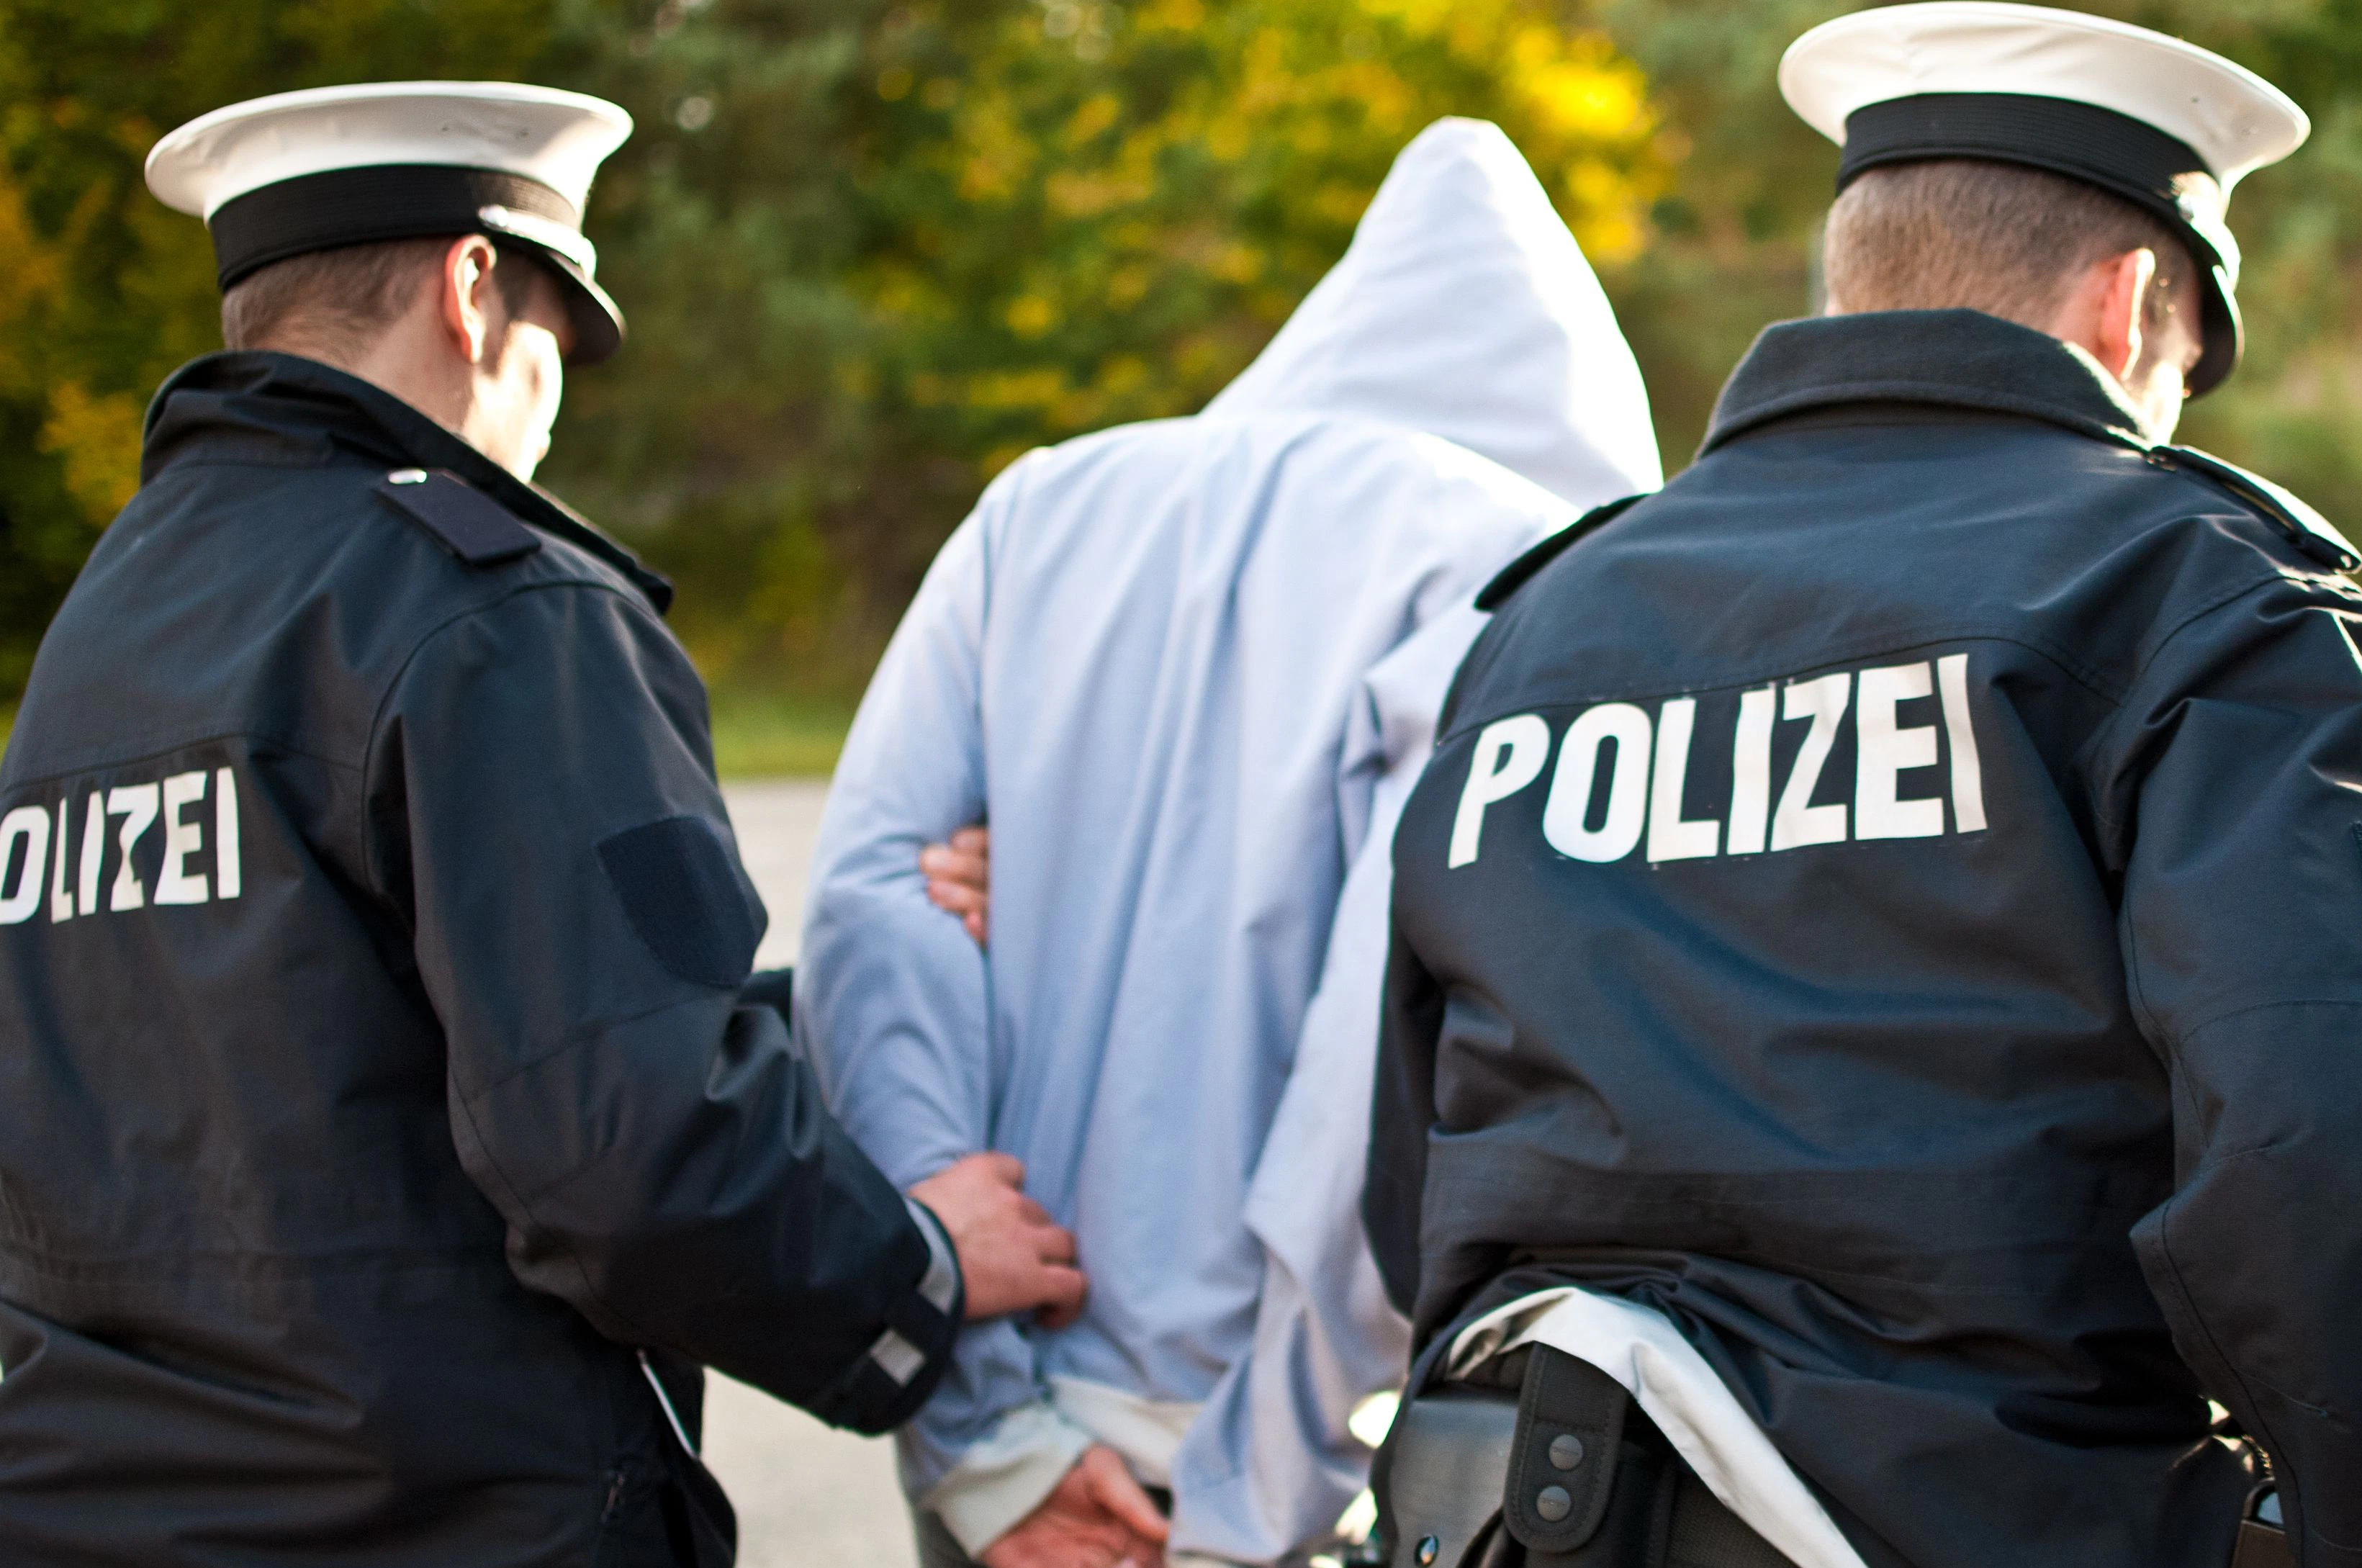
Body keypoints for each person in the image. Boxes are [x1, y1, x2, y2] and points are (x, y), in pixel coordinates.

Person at [1363, 7, 2362, 1568]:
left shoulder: (1542, 621)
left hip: (1518, 1514)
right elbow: (2331, 1163)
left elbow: (1413, 1156)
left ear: (1852, 272)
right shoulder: (2196, 589)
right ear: (2131, 297)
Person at [0, 82, 1082, 1567]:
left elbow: (292, 1058)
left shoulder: (107, 633)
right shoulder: (490, 615)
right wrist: (918, 1267)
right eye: (557, 343)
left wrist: (829, 1005)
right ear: (470, 289)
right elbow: (622, 1156)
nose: (552, 405)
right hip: (426, 1521)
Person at [800, 118, 1661, 1568]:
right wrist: (1250, 1507)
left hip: (1002, 1444)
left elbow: (877, 919)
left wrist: (981, 1441)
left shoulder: (1041, 508)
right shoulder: (1523, 571)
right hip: (1286, 1477)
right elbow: (1368, 1095)